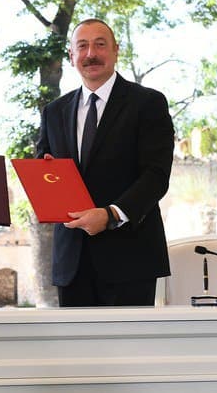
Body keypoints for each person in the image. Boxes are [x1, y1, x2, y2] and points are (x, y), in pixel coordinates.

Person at [36, 18, 174, 306]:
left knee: (129, 338)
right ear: (71, 55)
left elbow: (156, 175)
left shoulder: (148, 103)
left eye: (100, 45)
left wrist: (111, 215)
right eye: (82, 46)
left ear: (115, 50)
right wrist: (47, 175)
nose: (91, 54)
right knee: (74, 338)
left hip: (130, 260)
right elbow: (42, 169)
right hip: (72, 262)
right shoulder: (54, 112)